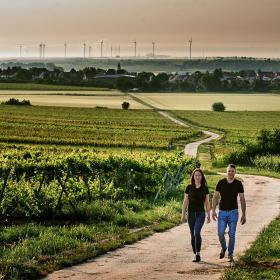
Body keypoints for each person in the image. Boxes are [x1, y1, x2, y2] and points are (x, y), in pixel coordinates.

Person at [212, 164, 246, 262]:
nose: (230, 173)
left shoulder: (238, 184)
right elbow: (215, 197)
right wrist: (213, 211)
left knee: (232, 234)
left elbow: (242, 199)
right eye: (229, 171)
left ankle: (230, 255)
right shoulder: (221, 182)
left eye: (232, 171)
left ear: (235, 172)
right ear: (226, 172)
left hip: (233, 213)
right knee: (220, 233)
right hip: (222, 212)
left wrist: (244, 214)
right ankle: (224, 247)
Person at [181, 168, 211, 262]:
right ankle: (195, 253)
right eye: (196, 175)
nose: (198, 177)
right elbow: (185, 201)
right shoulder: (189, 187)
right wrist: (183, 214)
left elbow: (207, 202)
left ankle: (198, 254)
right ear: (193, 176)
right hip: (190, 214)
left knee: (196, 232)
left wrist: (208, 215)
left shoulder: (205, 188)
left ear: (202, 177)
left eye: (199, 175)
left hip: (200, 214)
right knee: (192, 235)